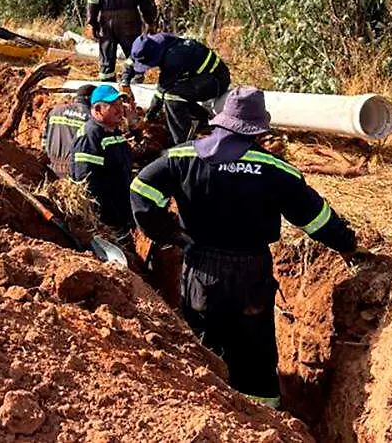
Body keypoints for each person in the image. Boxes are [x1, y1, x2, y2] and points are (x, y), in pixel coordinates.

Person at [128, 87, 361, 409]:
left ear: (222, 120)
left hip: (200, 270)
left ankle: (205, 410)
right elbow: (316, 219)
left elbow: (140, 191)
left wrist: (171, 233)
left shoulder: (181, 158)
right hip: (250, 275)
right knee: (254, 354)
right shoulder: (275, 170)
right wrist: (347, 245)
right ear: (257, 128)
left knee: (202, 346)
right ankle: (263, 417)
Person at [122, 32, 230, 144]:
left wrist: (148, 118)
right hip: (197, 76)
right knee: (175, 93)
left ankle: (180, 141)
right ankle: (200, 117)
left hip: (215, 80)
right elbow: (132, 59)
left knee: (171, 96)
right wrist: (124, 82)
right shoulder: (152, 43)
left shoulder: (173, 57)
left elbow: (161, 91)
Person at [70, 85, 135, 252]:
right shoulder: (90, 136)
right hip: (108, 219)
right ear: (98, 109)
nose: (120, 110)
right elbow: (85, 182)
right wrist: (103, 220)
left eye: (120, 104)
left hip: (122, 211)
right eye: (113, 106)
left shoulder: (114, 133)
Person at [41, 84, 96, 177]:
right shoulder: (92, 117)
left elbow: (44, 141)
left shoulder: (55, 111)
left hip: (51, 167)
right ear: (91, 99)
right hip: (75, 169)